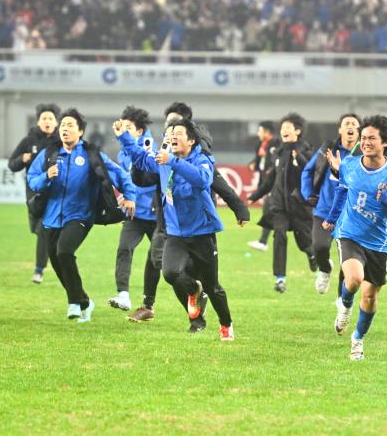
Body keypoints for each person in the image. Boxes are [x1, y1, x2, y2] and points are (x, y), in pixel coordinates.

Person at [125, 103, 249, 329]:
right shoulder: (164, 154)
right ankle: (185, 313)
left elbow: (213, 182)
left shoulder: (200, 156)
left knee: (205, 282)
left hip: (199, 225)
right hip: (169, 223)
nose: (170, 132)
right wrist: (126, 140)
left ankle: (220, 321)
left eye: (176, 127)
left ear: (191, 134)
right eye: (168, 127)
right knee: (166, 268)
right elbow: (144, 173)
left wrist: (239, 207)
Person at [27, 109, 136, 323]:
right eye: (63, 125)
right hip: (51, 217)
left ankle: (73, 303)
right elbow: (32, 180)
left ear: (80, 131)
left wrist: (130, 196)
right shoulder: (49, 153)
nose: (65, 129)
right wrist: (46, 176)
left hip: (80, 215)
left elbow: (119, 174)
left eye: (70, 125)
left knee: (64, 251)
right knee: (58, 263)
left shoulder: (91, 154)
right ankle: (85, 302)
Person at [324, 115, 387, 361]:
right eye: (363, 138)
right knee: (354, 279)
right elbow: (342, 190)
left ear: (385, 143)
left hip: (378, 243)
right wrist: (332, 217)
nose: (365, 142)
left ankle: (357, 339)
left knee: (370, 296)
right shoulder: (350, 165)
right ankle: (345, 304)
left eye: (372, 138)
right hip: (349, 233)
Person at [249, 112, 315, 293]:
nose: (283, 130)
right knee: (279, 234)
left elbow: (310, 173)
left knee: (305, 242)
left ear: (297, 131)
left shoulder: (307, 151)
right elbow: (271, 179)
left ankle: (312, 255)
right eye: (282, 127)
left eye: (288, 127)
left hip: (299, 206)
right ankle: (280, 278)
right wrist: (254, 196)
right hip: (279, 205)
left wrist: (298, 157)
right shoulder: (278, 152)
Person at [301, 113, 360, 295]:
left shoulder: (363, 155)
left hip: (350, 215)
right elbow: (308, 170)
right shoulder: (328, 149)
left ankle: (342, 300)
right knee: (319, 247)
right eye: (346, 123)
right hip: (324, 210)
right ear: (340, 129)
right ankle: (325, 269)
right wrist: (308, 193)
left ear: (359, 131)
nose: (350, 126)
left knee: (347, 260)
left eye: (354, 124)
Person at [107, 106, 157, 313]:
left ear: (140, 131)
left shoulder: (149, 148)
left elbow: (148, 180)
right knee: (124, 249)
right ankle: (123, 295)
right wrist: (125, 196)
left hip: (156, 216)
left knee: (157, 259)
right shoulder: (123, 153)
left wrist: (133, 197)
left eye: (129, 128)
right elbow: (126, 180)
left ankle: (150, 303)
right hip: (134, 215)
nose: (124, 131)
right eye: (123, 127)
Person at [7, 103, 60, 284]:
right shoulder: (29, 141)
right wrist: (22, 159)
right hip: (34, 191)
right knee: (37, 229)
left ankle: (39, 270)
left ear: (56, 122)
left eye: (50, 118)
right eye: (44, 118)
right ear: (38, 121)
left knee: (44, 229)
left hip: (55, 191)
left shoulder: (61, 141)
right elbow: (12, 164)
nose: (47, 121)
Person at [247, 120, 275, 252]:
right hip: (266, 183)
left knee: (268, 210)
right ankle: (263, 241)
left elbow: (275, 161)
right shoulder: (261, 145)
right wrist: (253, 164)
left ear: (266, 132)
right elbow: (259, 162)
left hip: (274, 184)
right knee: (268, 211)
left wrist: (271, 169)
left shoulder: (275, 144)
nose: (258, 133)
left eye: (260, 131)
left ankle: (263, 242)